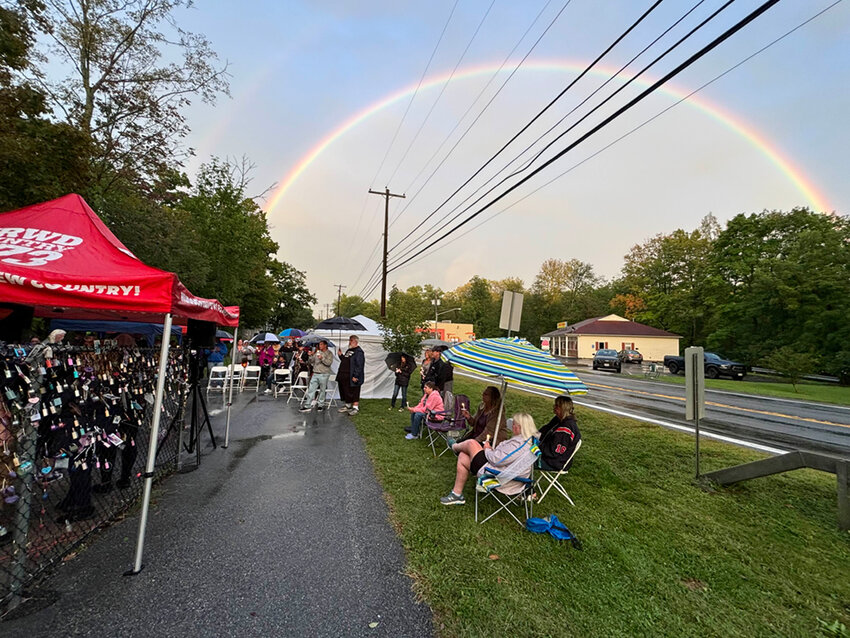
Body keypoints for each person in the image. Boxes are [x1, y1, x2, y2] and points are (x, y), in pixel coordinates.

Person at [440, 412, 539, 506]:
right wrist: (491, 450)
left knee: (471, 443)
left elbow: (497, 460)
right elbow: (503, 457)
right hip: (505, 473)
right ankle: (456, 494)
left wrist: (487, 449)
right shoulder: (528, 442)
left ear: (520, 427)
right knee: (463, 456)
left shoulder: (519, 444)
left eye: (514, 424)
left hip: (499, 477)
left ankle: (454, 446)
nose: (512, 426)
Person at [537, 395, 582, 471]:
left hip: (555, 462)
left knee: (524, 460)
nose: (554, 408)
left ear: (562, 409)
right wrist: (533, 436)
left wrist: (537, 445)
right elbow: (545, 429)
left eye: (556, 406)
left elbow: (553, 452)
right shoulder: (558, 420)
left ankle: (523, 482)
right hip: (548, 456)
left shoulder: (566, 428)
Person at [300, 340, 333, 411]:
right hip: (315, 373)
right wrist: (310, 355)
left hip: (324, 374)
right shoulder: (317, 352)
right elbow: (311, 362)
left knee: (322, 390)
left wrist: (322, 358)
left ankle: (320, 404)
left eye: (321, 344)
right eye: (319, 344)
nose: (319, 346)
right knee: (311, 389)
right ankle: (307, 405)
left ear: (325, 345)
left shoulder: (329, 353)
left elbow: (329, 363)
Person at [336, 335, 365, 415]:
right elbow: (345, 361)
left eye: (351, 340)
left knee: (354, 390)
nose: (349, 342)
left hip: (352, 375)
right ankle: (348, 405)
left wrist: (355, 375)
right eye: (349, 340)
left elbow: (359, 365)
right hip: (344, 375)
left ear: (355, 341)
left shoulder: (359, 352)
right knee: (346, 390)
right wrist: (340, 355)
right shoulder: (349, 350)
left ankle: (355, 407)